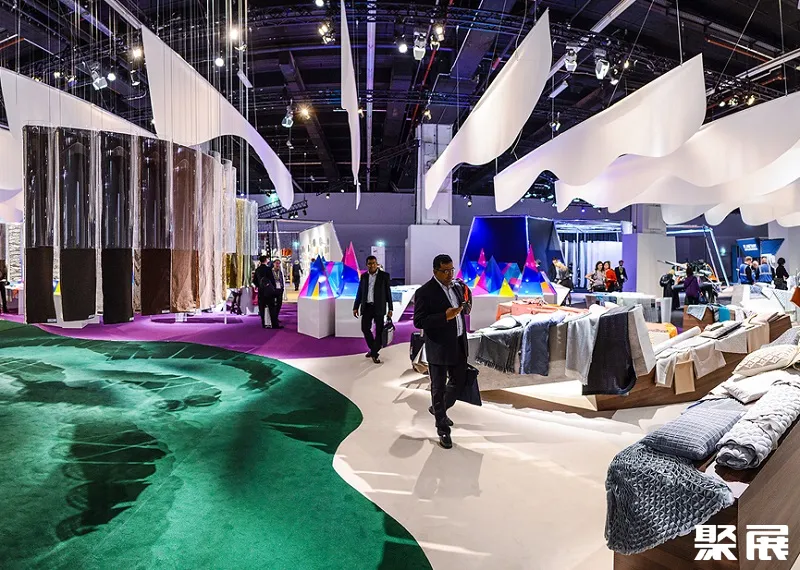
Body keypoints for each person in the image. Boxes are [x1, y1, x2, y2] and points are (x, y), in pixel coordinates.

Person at [413, 254, 471, 450]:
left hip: (459, 342)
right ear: (435, 271)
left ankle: (439, 409)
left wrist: (465, 306)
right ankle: (443, 429)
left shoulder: (456, 287)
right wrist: (444, 317)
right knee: (438, 388)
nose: (449, 274)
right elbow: (419, 321)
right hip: (438, 346)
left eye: (451, 270)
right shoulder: (424, 292)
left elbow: (462, 309)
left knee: (459, 381)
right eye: (445, 271)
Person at [353, 256, 393, 364]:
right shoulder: (364, 276)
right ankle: (374, 350)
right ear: (367, 265)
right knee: (365, 328)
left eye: (374, 263)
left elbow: (388, 292)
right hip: (367, 306)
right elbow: (360, 292)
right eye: (370, 263)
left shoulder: (384, 276)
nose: (372, 265)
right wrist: (355, 307)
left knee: (379, 331)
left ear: (377, 264)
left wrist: (390, 308)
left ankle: (374, 353)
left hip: (379, 307)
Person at [253, 256, 273, 329]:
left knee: (261, 306)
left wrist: (258, 285)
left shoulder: (257, 269)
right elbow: (272, 279)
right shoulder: (268, 269)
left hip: (261, 290)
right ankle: (271, 322)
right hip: (268, 290)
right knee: (270, 306)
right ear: (266, 260)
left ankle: (263, 322)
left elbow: (254, 280)